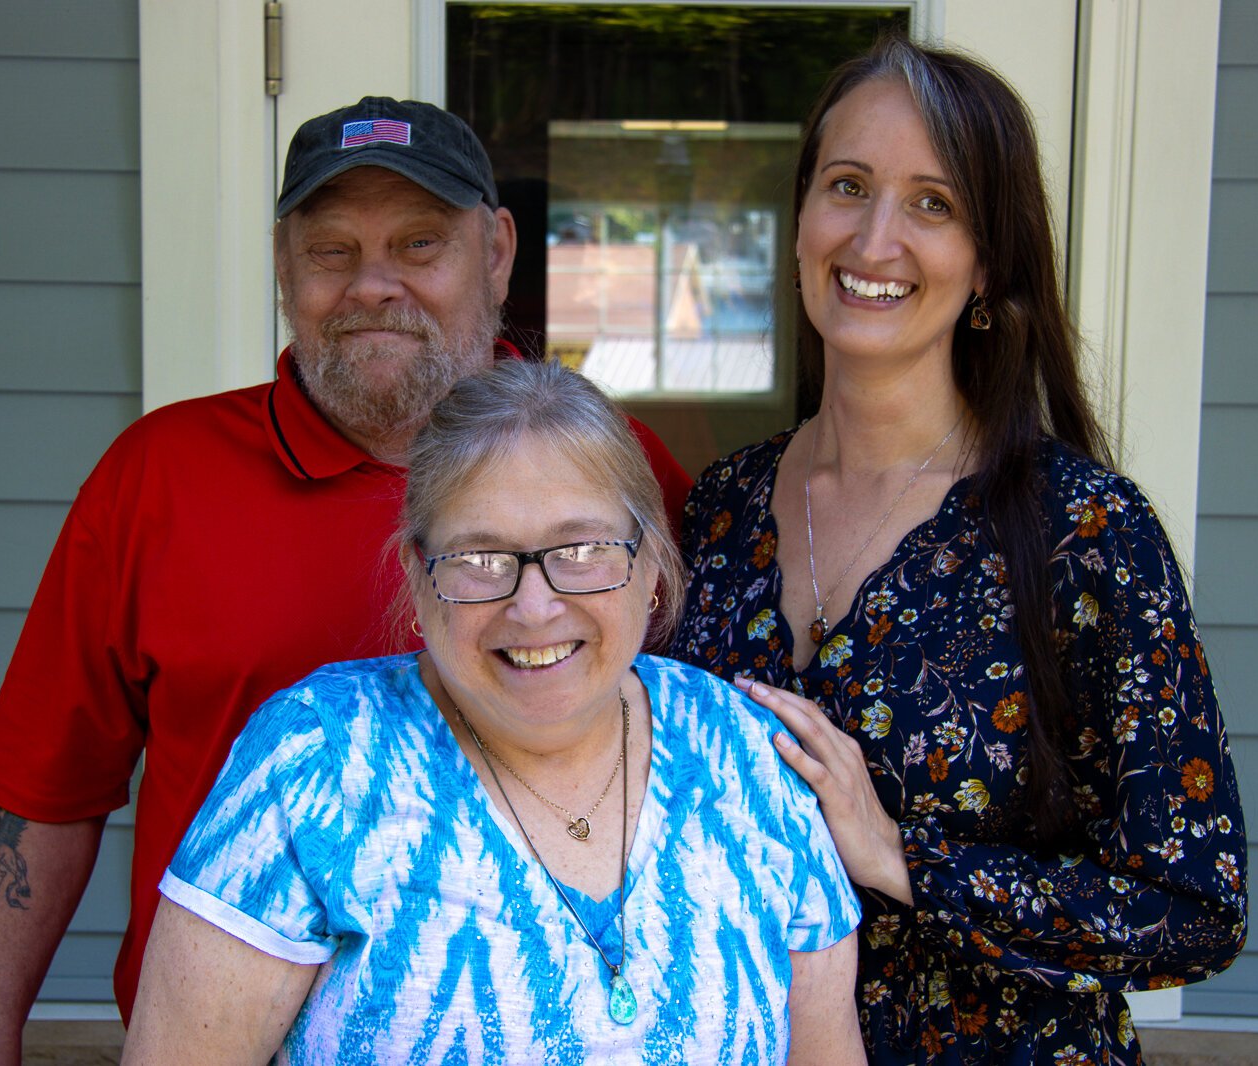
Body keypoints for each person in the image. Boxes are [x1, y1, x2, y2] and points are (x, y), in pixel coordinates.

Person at [0, 97, 692, 1062]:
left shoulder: (614, 473)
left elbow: (693, 749)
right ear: (283, 265)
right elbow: (46, 788)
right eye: (332, 251)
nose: (373, 285)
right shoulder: (158, 477)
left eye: (420, 244)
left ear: (497, 252)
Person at [671, 36, 1247, 1065]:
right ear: (802, 219)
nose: (875, 236)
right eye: (846, 186)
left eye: (931, 203)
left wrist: (901, 857)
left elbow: (1194, 908)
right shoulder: (718, 510)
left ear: (986, 262)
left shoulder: (1086, 532)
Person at [121, 358, 865, 1064]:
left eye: (581, 548)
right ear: (417, 579)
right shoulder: (317, 758)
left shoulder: (749, 758)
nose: (534, 607)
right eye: (479, 560)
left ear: (649, 567)